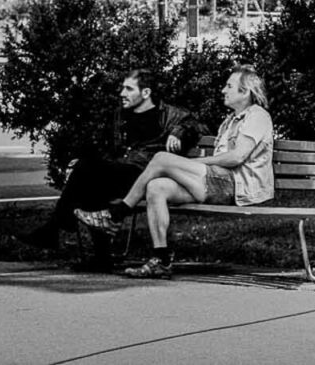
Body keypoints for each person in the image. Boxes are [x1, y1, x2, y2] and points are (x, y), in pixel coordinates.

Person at [77, 66, 275, 278]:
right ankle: (160, 260)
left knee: (161, 159)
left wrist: (200, 162)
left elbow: (237, 157)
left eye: (229, 86)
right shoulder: (229, 121)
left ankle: (116, 215)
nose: (223, 90)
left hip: (235, 185)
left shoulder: (257, 116)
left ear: (245, 92)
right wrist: (201, 166)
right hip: (216, 182)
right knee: (156, 187)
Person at [20, 68, 200, 268]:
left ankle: (56, 229)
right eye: (123, 88)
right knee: (90, 179)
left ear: (146, 93)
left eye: (129, 89)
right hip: (122, 172)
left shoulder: (168, 114)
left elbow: (194, 124)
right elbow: (110, 149)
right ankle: (98, 256)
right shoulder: (120, 116)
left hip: (145, 174)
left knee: (88, 171)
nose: (122, 93)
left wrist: (178, 132)